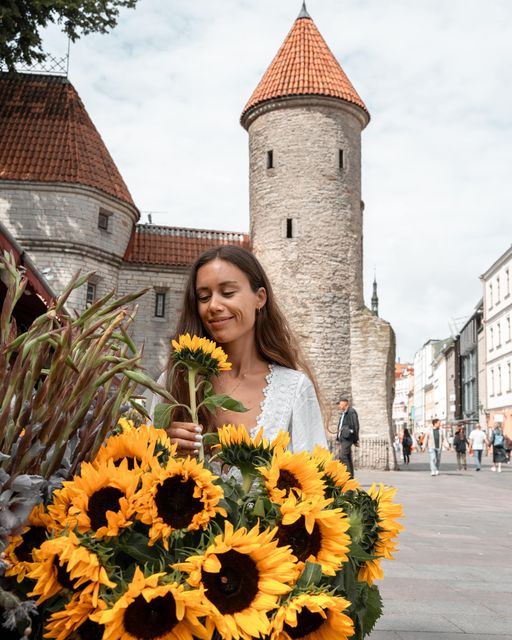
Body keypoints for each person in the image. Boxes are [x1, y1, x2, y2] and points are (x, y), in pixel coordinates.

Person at [147, 245, 327, 455]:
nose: (213, 305)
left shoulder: (294, 390)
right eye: (204, 297)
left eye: (228, 293)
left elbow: (318, 479)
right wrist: (160, 449)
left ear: (260, 298)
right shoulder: (173, 382)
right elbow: (141, 474)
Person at [335, 397, 359, 478]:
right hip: (344, 437)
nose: (339, 406)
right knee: (347, 457)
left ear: (345, 403)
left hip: (348, 438)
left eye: (340, 404)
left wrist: (355, 439)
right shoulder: (344, 413)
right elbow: (341, 425)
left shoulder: (351, 412)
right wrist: (338, 437)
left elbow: (355, 425)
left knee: (342, 456)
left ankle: (348, 476)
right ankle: (350, 476)